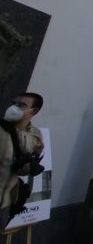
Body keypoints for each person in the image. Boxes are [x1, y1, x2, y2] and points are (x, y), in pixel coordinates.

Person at [0, 92, 44, 227]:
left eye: (21, 105)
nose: (14, 107)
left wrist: (29, 167)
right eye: (14, 103)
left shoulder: (35, 136)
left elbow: (22, 170)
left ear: (33, 111)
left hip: (5, 201)